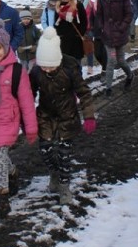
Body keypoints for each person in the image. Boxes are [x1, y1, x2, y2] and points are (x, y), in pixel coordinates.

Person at [0, 18, 38, 219]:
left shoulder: (17, 71)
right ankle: (12, 172)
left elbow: (27, 101)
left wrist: (30, 128)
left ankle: (2, 199)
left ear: (6, 47)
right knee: (1, 157)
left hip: (8, 121)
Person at [29, 27, 95, 205]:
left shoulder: (69, 70)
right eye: (44, 66)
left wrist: (88, 116)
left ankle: (64, 186)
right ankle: (54, 173)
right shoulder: (36, 72)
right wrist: (26, 120)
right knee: (46, 150)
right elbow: (27, 96)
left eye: (51, 66)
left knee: (64, 153)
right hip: (45, 115)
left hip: (67, 115)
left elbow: (85, 93)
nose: (47, 70)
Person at [93, 0, 134, 96]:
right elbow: (99, 13)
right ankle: (108, 88)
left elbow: (129, 14)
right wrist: (101, 26)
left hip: (120, 33)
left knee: (120, 61)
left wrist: (122, 27)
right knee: (111, 61)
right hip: (107, 33)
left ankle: (130, 75)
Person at [54, 0, 88, 65]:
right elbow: (55, 23)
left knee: (77, 64)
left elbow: (84, 21)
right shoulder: (58, 7)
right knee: (65, 65)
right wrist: (59, 34)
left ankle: (78, 77)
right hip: (64, 41)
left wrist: (79, 33)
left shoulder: (78, 5)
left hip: (75, 40)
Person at [77, 0, 97, 75]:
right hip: (79, 30)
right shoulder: (75, 5)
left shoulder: (90, 3)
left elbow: (95, 15)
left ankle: (90, 67)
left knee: (89, 49)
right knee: (79, 49)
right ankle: (78, 68)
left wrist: (93, 27)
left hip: (89, 30)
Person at [16, 8, 41, 72]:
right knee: (23, 72)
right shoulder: (17, 29)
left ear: (31, 19)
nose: (26, 21)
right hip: (22, 56)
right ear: (20, 19)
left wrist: (36, 46)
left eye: (28, 19)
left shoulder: (34, 29)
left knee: (33, 71)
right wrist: (17, 47)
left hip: (32, 55)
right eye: (24, 19)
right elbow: (14, 40)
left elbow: (40, 39)